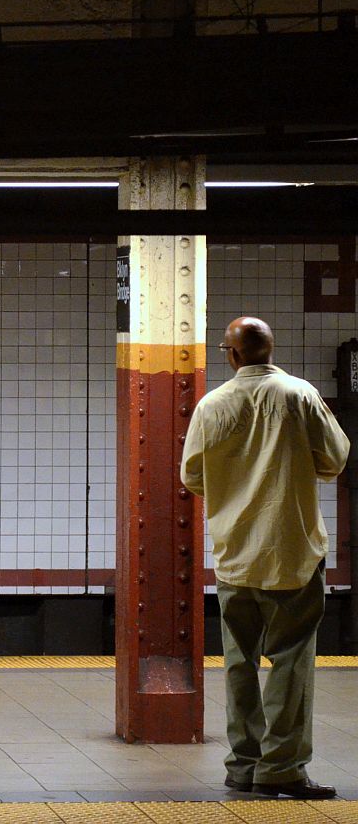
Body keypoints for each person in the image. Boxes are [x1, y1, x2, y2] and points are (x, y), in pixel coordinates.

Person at [181, 316, 349, 799]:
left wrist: (234, 492)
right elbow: (334, 460)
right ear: (269, 350)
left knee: (239, 661)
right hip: (293, 552)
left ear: (232, 355)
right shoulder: (300, 395)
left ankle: (243, 764)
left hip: (235, 553)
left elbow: (192, 475)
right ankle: (282, 768)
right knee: (292, 661)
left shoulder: (211, 405)